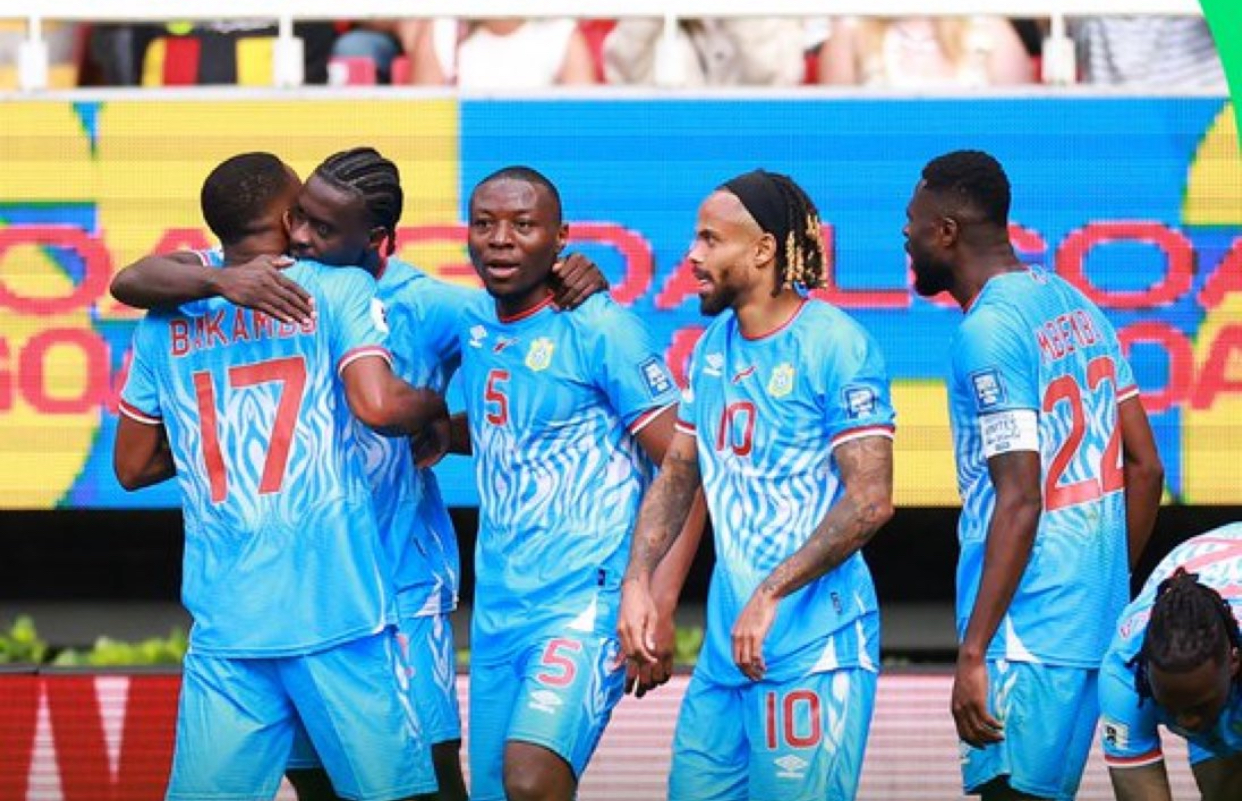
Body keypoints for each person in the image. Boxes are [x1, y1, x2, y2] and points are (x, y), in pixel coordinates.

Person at [111, 147, 612, 801]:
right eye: (300, 216)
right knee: (336, 784)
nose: (302, 235)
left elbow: (528, 337)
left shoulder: (426, 303)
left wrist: (573, 279)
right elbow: (132, 279)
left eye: (320, 223)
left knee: (431, 768)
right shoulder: (252, 282)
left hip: (396, 582)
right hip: (318, 594)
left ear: (376, 237)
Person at [112, 151, 446, 801]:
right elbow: (379, 407)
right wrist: (432, 407)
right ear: (291, 216)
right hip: (339, 612)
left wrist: (221, 436)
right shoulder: (337, 289)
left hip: (227, 622)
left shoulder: (167, 315)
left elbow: (131, 466)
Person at [618, 169, 896, 800]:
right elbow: (678, 476)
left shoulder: (837, 345)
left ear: (764, 249)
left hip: (814, 649)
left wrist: (771, 592)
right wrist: (638, 582)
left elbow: (871, 501)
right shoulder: (712, 346)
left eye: (710, 240)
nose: (692, 256)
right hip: (726, 655)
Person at [904, 149, 1165, 801]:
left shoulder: (988, 331)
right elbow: (1146, 466)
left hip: (1023, 633)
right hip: (1087, 626)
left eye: (914, 221)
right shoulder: (1077, 305)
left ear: (947, 231)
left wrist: (973, 651)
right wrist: (1105, 584)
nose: (905, 234)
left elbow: (1019, 497)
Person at [459, 165, 703, 801]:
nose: (501, 240)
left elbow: (688, 469)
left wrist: (658, 603)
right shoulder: (474, 323)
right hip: (498, 610)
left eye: (523, 224)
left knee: (531, 780)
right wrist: (436, 432)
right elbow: (517, 419)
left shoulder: (601, 328)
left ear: (561, 236)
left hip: (584, 603)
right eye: (484, 224)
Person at [1099, 523, 1242, 801]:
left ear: (1234, 662)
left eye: (1198, 706)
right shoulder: (1124, 677)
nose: (1186, 722)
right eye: (1170, 705)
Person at [819, 16, 1034, 88]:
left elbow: (1020, 120)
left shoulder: (988, 25)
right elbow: (833, 123)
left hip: (970, 170)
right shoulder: (850, 27)